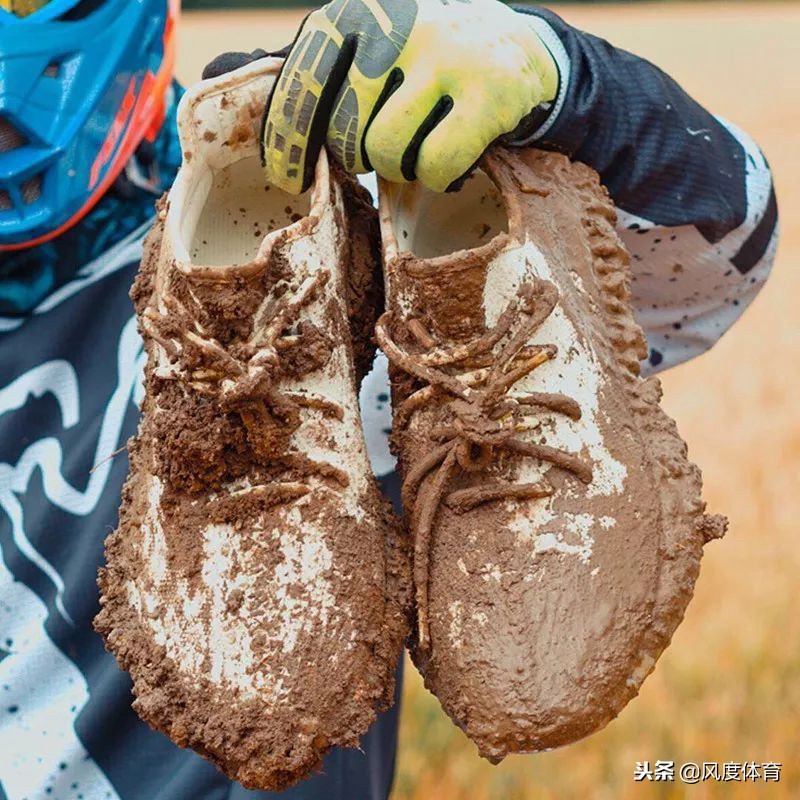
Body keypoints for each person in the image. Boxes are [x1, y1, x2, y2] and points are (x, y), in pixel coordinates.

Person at [0, 1, 776, 800]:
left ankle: (297, 278)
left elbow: (715, 268)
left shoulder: (351, 193)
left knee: (432, 211)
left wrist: (563, 82)